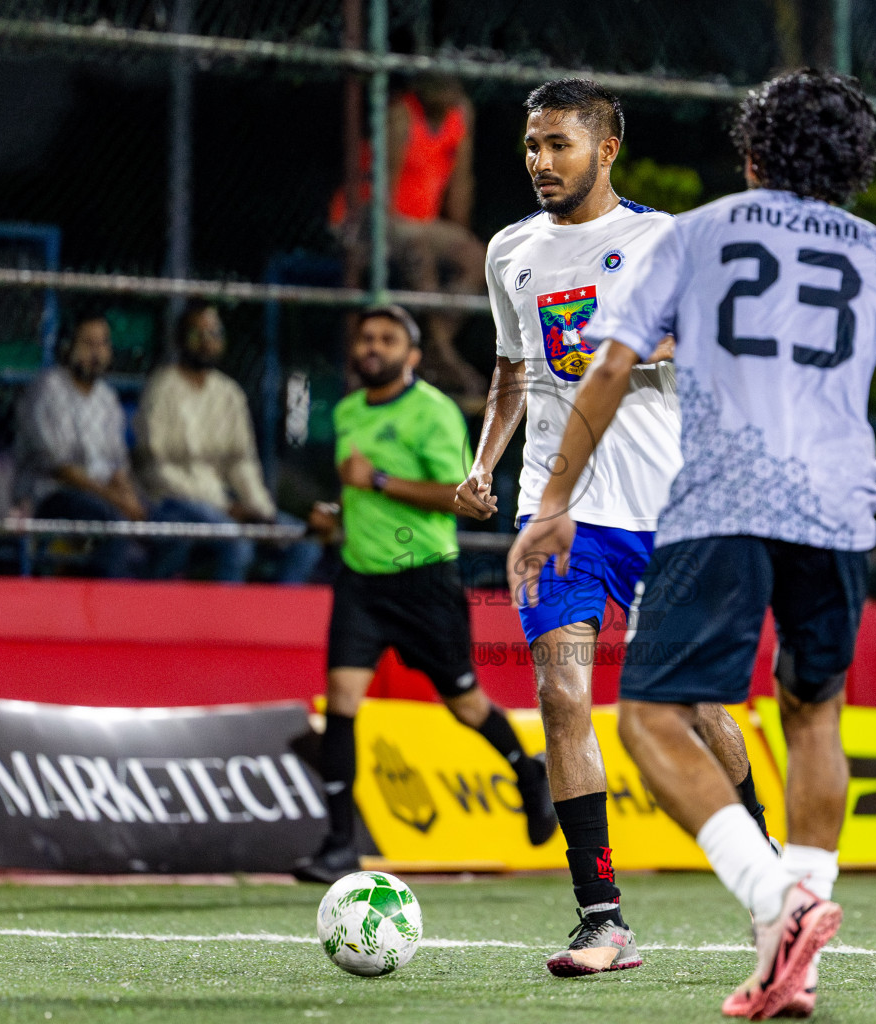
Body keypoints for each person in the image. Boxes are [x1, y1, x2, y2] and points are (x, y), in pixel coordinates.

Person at [509, 69, 876, 1019]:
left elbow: (606, 369)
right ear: (857, 167)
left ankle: (777, 902)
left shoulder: (698, 234)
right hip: (840, 514)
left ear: (753, 153)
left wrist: (554, 496)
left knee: (649, 717)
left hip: (720, 505)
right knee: (814, 717)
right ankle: (791, 954)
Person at [455, 79, 770, 980]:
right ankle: (602, 920)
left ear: (607, 147)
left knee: (697, 707)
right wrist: (485, 462)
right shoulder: (510, 249)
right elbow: (514, 368)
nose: (539, 162)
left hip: (665, 510)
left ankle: (771, 888)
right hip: (557, 516)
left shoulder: (665, 240)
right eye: (530, 146)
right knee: (560, 694)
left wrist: (654, 348)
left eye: (558, 144)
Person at [294, 305, 556, 883]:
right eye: (365, 337)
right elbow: (361, 498)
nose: (373, 346)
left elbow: (460, 497)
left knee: (465, 704)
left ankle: (527, 770)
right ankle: (339, 844)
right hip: (360, 579)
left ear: (412, 356)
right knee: (341, 702)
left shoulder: (433, 413)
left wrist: (379, 482)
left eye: (387, 339)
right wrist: (334, 516)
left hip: (425, 581)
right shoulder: (346, 412)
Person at [135, 299, 323, 583]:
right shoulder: (161, 389)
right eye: (197, 334)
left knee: (306, 545)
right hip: (171, 501)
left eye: (215, 334)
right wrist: (225, 508)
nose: (207, 342)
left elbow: (242, 463)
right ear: (180, 340)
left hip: (222, 505)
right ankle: (224, 626)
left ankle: (273, 622)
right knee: (238, 545)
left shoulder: (229, 394)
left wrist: (262, 512)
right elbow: (158, 469)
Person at [331, 74, 487, 405]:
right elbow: (379, 196)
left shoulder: (460, 115)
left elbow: (460, 185)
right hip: (371, 218)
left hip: (422, 226)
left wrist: (458, 237)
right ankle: (440, 357)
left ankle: (433, 350)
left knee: (478, 258)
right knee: (419, 252)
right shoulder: (402, 115)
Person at [13, 308, 147, 578]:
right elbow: (62, 469)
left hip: (99, 496)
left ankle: (146, 610)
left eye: (103, 344)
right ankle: (104, 609)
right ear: (67, 347)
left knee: (161, 523)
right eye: (88, 344)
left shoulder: (107, 398)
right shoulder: (49, 389)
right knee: (113, 524)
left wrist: (130, 499)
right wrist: (116, 500)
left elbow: (117, 464)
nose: (97, 353)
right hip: (52, 496)